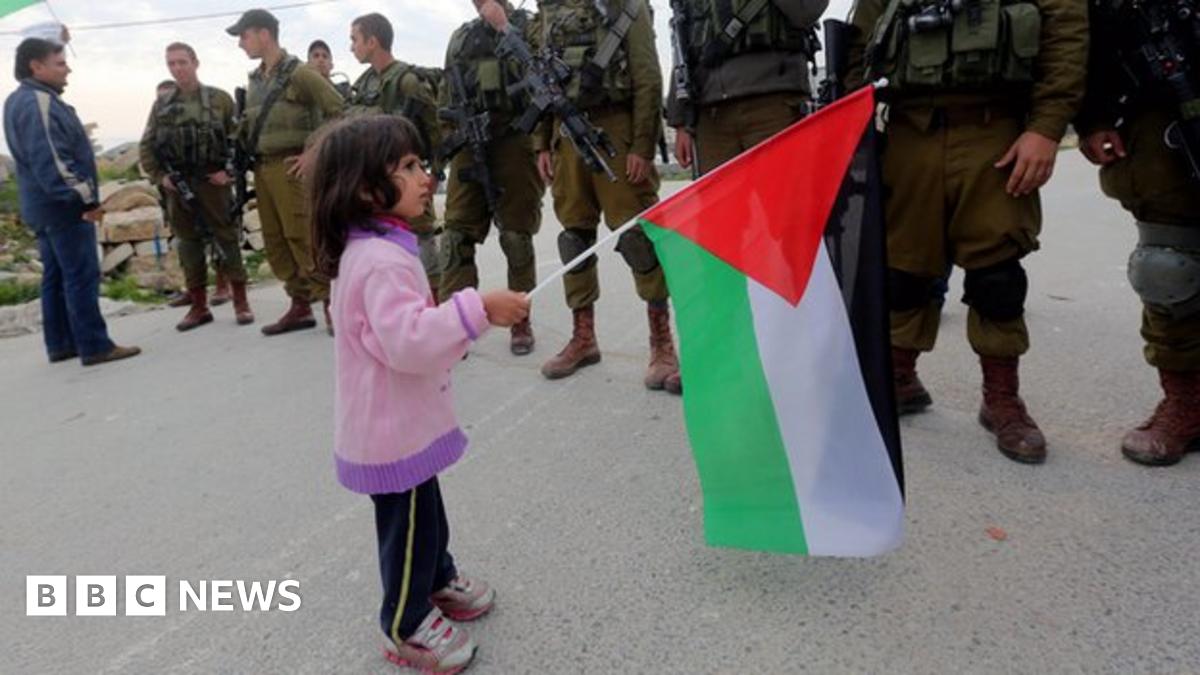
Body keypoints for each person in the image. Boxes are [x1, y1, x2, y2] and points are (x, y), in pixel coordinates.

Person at [312, 114, 528, 672]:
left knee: (426, 515)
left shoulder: (383, 246)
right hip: (390, 429)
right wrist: (478, 309)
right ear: (365, 187)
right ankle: (405, 623)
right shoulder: (378, 262)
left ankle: (437, 579)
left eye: (420, 164)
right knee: (407, 529)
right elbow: (408, 341)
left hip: (406, 422)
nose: (425, 176)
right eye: (407, 167)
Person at [846, 0, 1087, 464]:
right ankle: (898, 380)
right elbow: (860, 43)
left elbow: (1066, 36)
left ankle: (1002, 399)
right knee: (902, 271)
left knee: (997, 276)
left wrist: (1047, 127)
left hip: (995, 130)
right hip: (907, 132)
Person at [476, 0, 683, 394]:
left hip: (616, 132)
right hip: (564, 138)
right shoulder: (549, 11)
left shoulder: (625, 6)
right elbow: (540, 79)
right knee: (574, 240)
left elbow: (647, 76)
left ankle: (661, 343)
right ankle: (583, 338)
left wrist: (642, 144)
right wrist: (542, 143)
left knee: (639, 240)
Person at [1076, 1, 1200, 466]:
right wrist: (1093, 118)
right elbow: (1084, 38)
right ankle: (1186, 402)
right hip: (1159, 122)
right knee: (1168, 268)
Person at [3, 38, 141, 366]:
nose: (68, 69)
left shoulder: (20, 99)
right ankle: (95, 345)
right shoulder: (38, 102)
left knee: (55, 277)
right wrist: (86, 200)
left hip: (42, 206)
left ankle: (62, 344)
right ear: (36, 66)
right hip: (62, 207)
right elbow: (53, 161)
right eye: (60, 63)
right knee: (80, 275)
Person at [227, 8, 344, 335]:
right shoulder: (255, 80)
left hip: (292, 168)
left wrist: (314, 152)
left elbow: (339, 110)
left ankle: (331, 303)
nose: (240, 43)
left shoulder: (299, 73)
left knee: (304, 237)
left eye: (244, 35)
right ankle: (299, 304)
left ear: (264, 34)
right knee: (276, 240)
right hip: (263, 169)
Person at [437, 3, 545, 355]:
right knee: (456, 236)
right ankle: (454, 324)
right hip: (468, 143)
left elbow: (543, 77)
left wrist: (505, 29)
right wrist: (449, 139)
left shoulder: (528, 26)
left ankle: (519, 319)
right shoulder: (461, 37)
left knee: (516, 236)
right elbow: (445, 93)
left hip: (513, 140)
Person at [138, 42, 254, 330]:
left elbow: (240, 139)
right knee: (188, 245)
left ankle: (241, 301)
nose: (177, 68)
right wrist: (161, 177)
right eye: (172, 64)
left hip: (212, 183)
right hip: (179, 185)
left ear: (195, 63)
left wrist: (229, 172)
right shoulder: (162, 105)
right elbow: (147, 146)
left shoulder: (219, 99)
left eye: (182, 62)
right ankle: (199, 306)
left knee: (226, 238)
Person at [667, 0, 827, 175]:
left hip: (775, 102)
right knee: (721, 193)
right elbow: (682, 42)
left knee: (784, 190)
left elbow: (807, 11)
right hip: (711, 115)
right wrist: (680, 121)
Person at [346, 12, 443, 289]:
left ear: (372, 41)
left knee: (421, 239)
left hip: (408, 173)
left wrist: (434, 174)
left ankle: (433, 299)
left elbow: (436, 131)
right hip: (376, 176)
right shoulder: (364, 84)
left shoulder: (407, 81)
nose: (352, 47)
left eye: (355, 39)